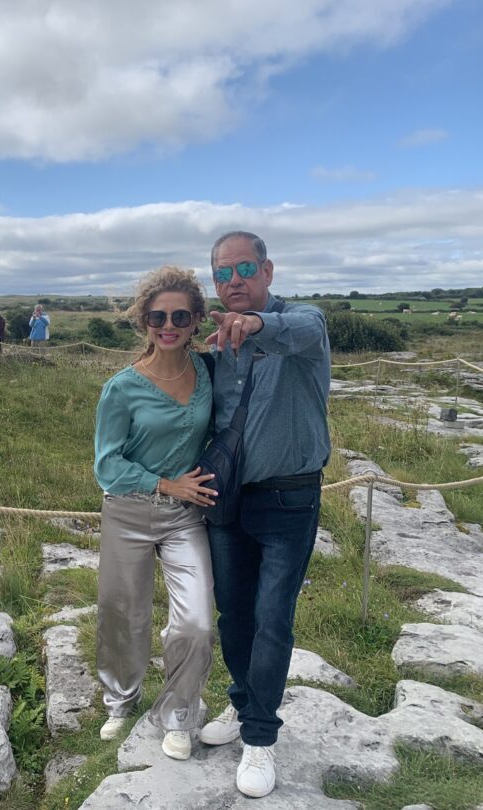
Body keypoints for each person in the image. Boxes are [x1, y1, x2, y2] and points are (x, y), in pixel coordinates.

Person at [198, 231, 331, 799]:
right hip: (227, 502)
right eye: (222, 274)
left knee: (272, 617)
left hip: (288, 500)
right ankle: (243, 702)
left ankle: (259, 738)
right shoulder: (215, 343)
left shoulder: (299, 325)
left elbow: (306, 329)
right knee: (235, 617)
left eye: (244, 268)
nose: (234, 282)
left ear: (268, 270)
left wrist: (258, 326)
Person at [93, 266, 218, 761]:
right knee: (123, 613)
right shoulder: (121, 388)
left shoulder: (209, 372)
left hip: (185, 516)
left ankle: (181, 712)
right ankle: (120, 698)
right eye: (158, 316)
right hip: (128, 510)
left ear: (195, 321)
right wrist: (168, 483)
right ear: (144, 320)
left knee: (197, 624)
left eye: (180, 316)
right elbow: (107, 464)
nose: (169, 325)